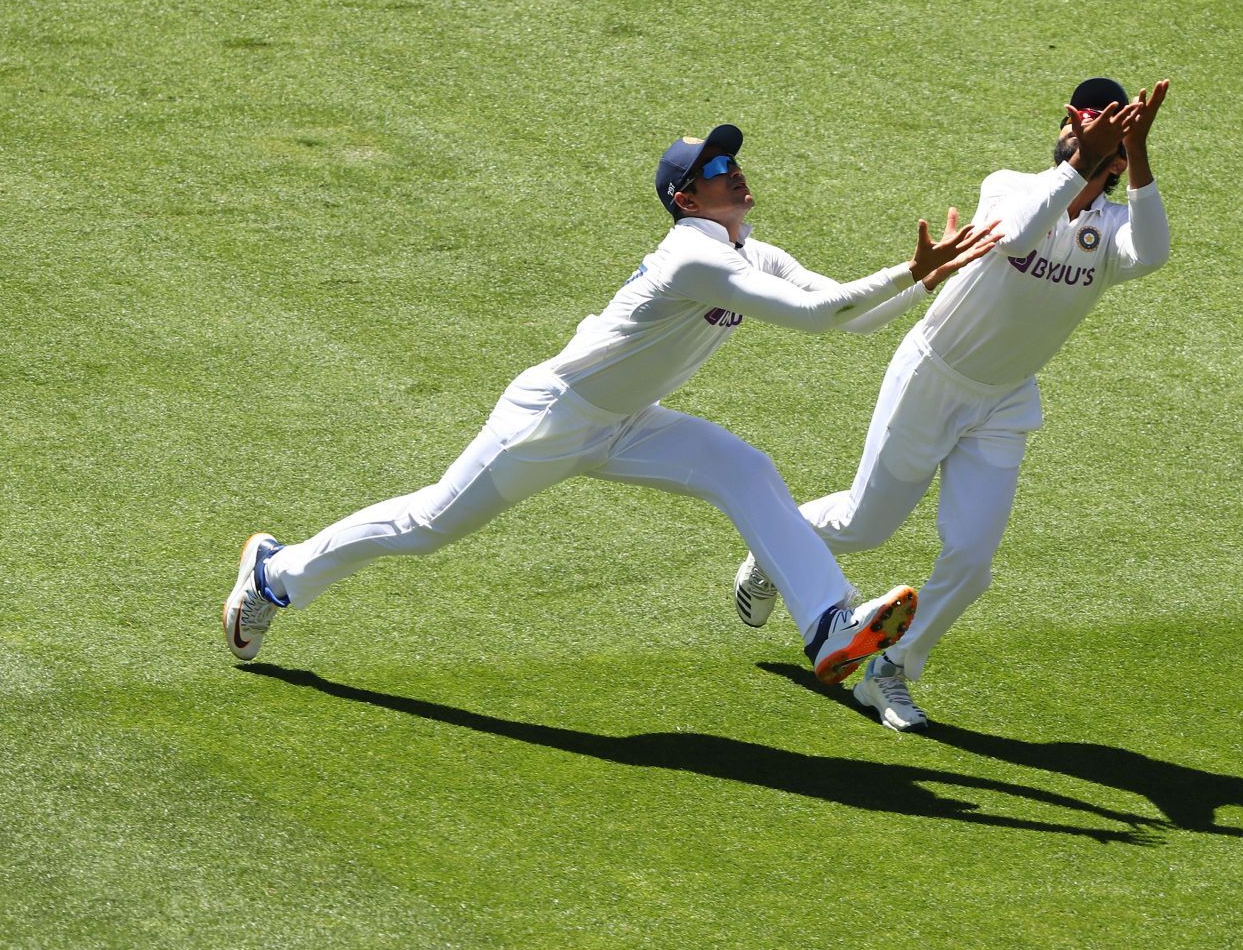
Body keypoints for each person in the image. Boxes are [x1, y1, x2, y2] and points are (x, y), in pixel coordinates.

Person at [226, 124, 1002, 685]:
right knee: (429, 526)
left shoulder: (749, 250)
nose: (734, 172)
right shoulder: (693, 255)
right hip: (551, 420)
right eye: (716, 167)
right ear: (684, 196)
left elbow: (843, 312)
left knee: (742, 468)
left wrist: (926, 279)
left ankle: (832, 626)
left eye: (734, 159)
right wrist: (910, 271)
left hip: (628, 424)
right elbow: (814, 317)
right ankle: (274, 576)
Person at [733, 80, 1170, 727]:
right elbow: (1018, 237)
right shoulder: (1009, 186)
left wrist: (1137, 156)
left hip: (1004, 401)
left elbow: (1154, 253)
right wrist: (1084, 161)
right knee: (864, 525)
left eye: (1099, 129)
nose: (1079, 132)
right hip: (934, 375)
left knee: (971, 561)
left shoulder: (1111, 228)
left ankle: (889, 671)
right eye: (1075, 122)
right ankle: (772, 550)